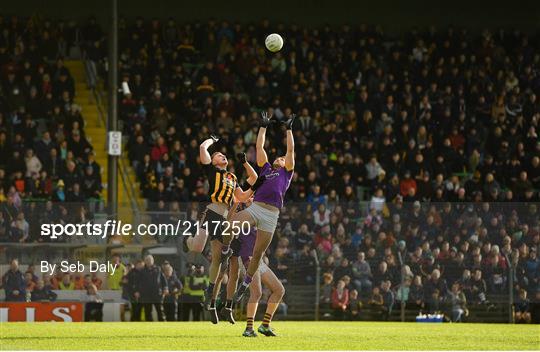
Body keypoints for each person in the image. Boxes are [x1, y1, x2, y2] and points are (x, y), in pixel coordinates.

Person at [183, 134, 259, 324]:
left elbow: (247, 187)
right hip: (211, 212)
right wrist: (211, 140)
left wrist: (249, 194)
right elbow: (202, 147)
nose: (222, 156)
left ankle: (210, 288)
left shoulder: (232, 177)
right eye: (218, 155)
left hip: (224, 216)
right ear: (214, 161)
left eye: (223, 155)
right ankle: (187, 239)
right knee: (196, 249)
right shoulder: (212, 171)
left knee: (218, 258)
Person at [230, 111, 295, 303]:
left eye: (282, 158)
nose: (280, 158)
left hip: (271, 215)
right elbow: (259, 146)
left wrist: (289, 129)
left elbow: (290, 151)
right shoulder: (266, 168)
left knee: (257, 253)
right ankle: (225, 250)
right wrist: (263, 126)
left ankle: (245, 284)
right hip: (256, 207)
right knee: (231, 224)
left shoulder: (286, 173)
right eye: (278, 157)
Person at [219, 200, 285, 337]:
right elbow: (228, 222)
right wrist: (236, 204)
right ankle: (249, 328)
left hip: (258, 261)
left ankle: (265, 325)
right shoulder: (244, 215)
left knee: (279, 290)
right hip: (247, 259)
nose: (252, 199)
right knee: (257, 293)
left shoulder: (261, 214)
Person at [139, 254, 168, 321]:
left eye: (150, 260)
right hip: (146, 295)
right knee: (148, 312)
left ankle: (163, 326)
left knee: (160, 310)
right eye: (147, 260)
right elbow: (139, 282)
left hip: (157, 294)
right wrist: (138, 291)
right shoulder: (142, 271)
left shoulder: (158, 268)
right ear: (145, 261)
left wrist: (165, 288)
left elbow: (163, 279)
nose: (149, 261)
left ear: (153, 261)